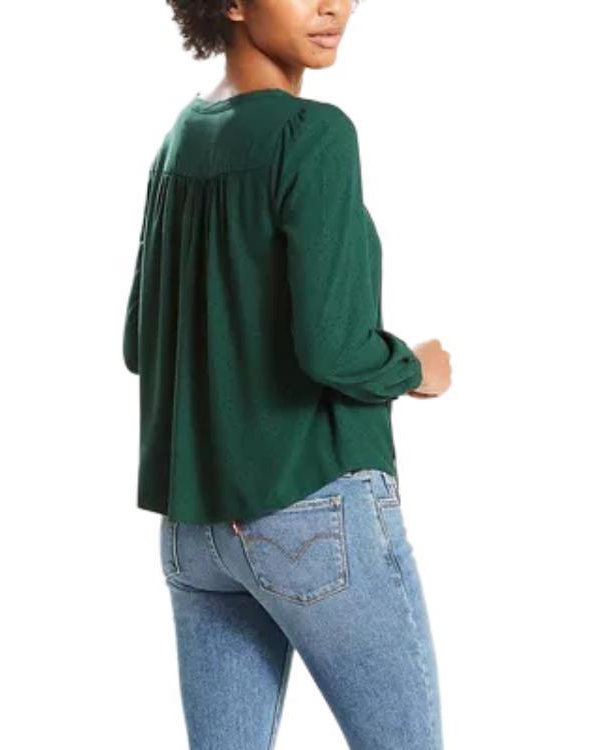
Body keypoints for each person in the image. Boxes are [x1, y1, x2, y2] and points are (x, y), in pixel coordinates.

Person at [122, 0, 452, 747]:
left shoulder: (179, 140)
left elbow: (143, 344)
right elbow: (333, 351)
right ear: (232, 3)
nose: (334, 6)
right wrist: (413, 367)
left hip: (196, 532)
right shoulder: (313, 134)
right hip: (311, 508)